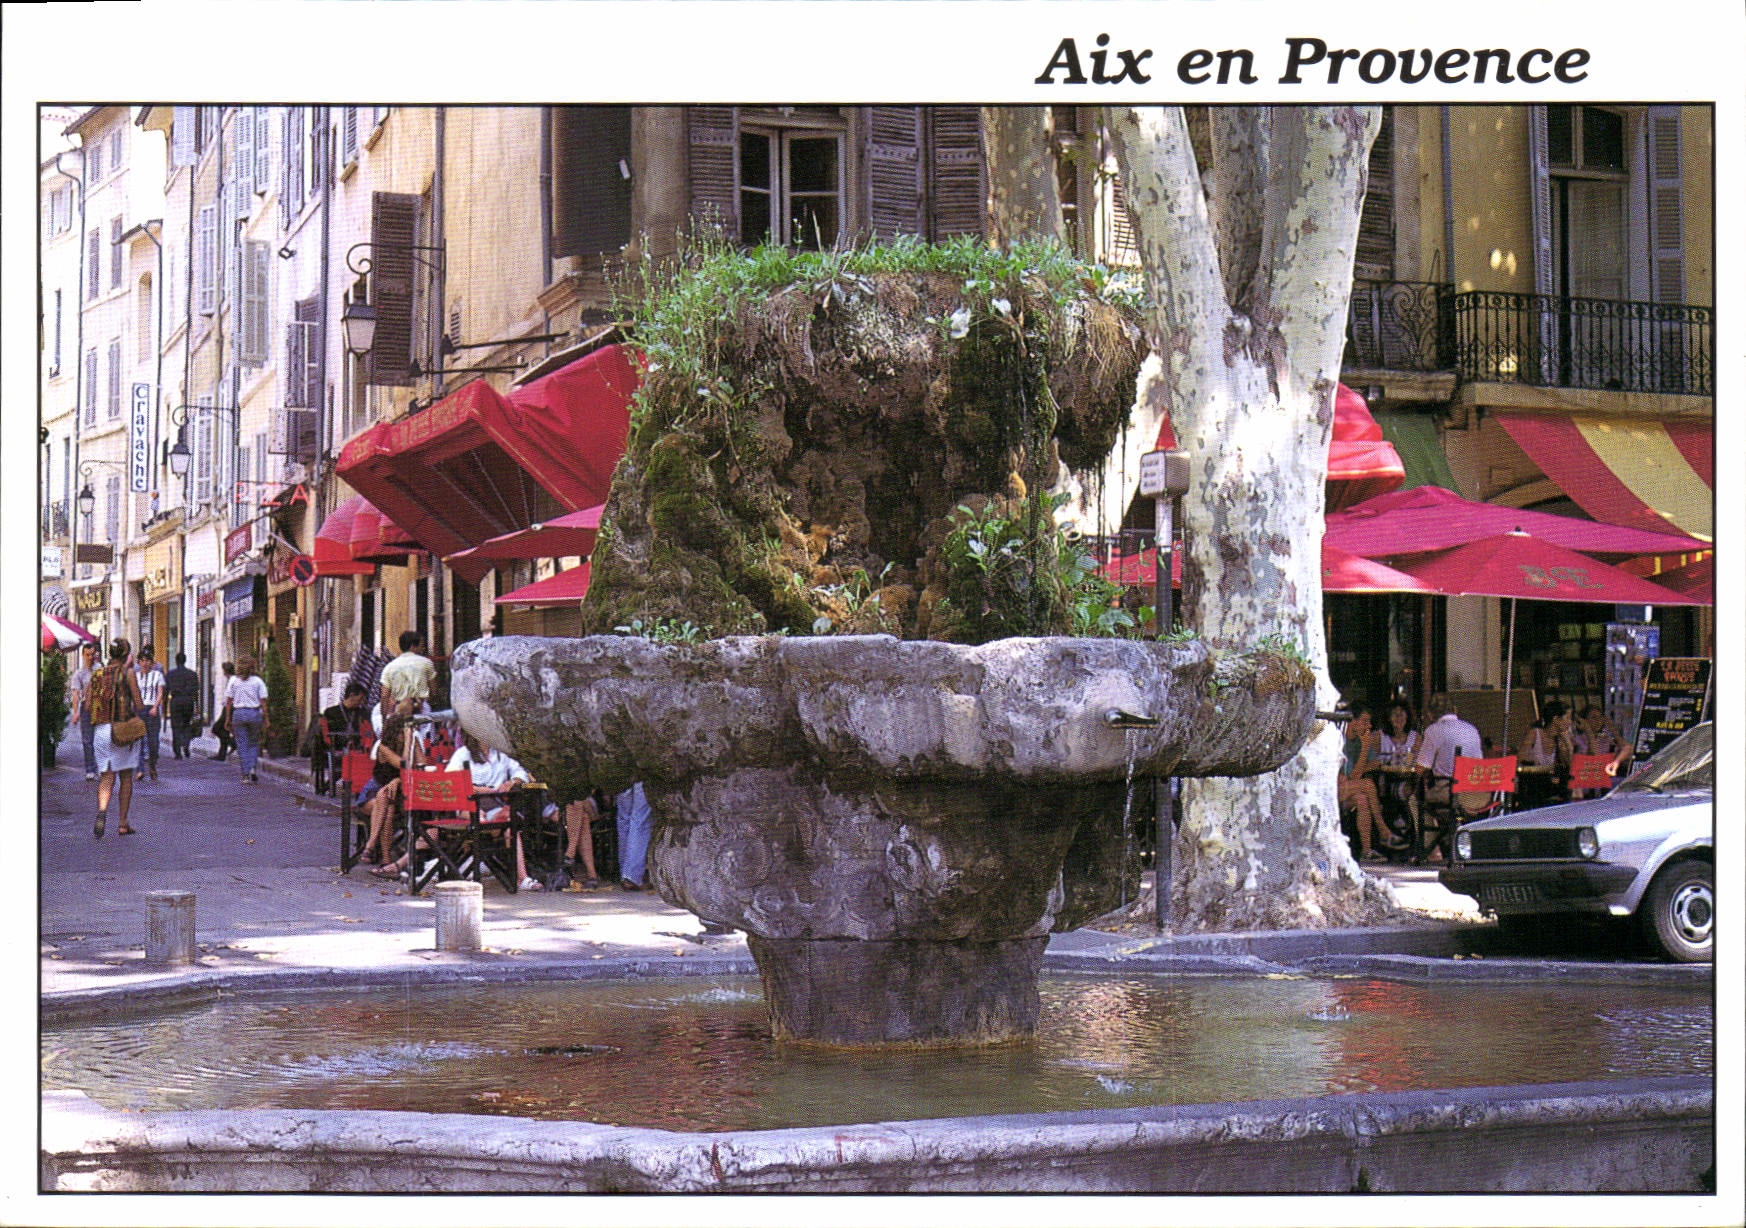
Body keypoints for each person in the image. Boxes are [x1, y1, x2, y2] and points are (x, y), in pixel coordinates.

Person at [1415, 693, 1486, 861]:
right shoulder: (1471, 729)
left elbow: (1421, 767)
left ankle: (1432, 849)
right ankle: (1446, 842)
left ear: (1430, 715)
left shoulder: (1434, 731)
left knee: (1414, 798)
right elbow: (1480, 763)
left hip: (1451, 792)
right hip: (1478, 793)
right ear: (1455, 710)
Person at [88, 638, 145, 838]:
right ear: (126, 655)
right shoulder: (128, 673)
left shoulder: (97, 674)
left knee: (106, 776)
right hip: (122, 730)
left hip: (101, 731)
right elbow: (139, 704)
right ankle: (122, 823)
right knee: (126, 776)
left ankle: (102, 809)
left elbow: (87, 705)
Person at [1337, 706, 1396, 862]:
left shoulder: (1360, 740)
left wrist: (1362, 759)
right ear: (1352, 721)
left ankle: (1367, 850)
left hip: (1347, 789)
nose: (1369, 726)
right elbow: (1354, 776)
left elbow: (1375, 763)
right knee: (1368, 784)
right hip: (1332, 791)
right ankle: (1383, 829)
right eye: (1365, 721)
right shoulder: (1339, 740)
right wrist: (1364, 750)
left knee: (1362, 799)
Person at [1516, 700, 1574, 808]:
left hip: (1549, 786)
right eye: (1568, 718)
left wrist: (1568, 744)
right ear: (1556, 719)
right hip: (1532, 784)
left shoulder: (1560, 740)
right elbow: (1520, 760)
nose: (1570, 722)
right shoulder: (1534, 733)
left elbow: (1570, 766)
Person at [224, 655, 269, 784]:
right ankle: (253, 768)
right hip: (254, 713)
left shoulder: (233, 681)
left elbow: (229, 701)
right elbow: (263, 702)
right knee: (253, 743)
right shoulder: (258, 681)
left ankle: (245, 774)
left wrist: (227, 718)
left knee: (242, 744)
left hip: (238, 714)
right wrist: (266, 719)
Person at [1573, 705, 1627, 797]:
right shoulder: (1577, 740)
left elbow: (1624, 748)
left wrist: (1610, 726)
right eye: (1594, 718)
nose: (1598, 721)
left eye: (1600, 717)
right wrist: (1588, 730)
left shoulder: (1604, 739)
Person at [133, 647, 167, 783]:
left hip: (152, 709)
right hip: (140, 709)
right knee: (139, 740)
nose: (145, 663)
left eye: (147, 660)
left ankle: (152, 765)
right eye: (142, 660)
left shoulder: (157, 675)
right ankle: (140, 769)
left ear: (151, 662)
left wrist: (155, 707)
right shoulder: (135, 676)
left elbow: (160, 692)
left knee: (153, 742)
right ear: (139, 662)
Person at [379, 630, 437, 708]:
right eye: (421, 646)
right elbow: (434, 691)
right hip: (422, 708)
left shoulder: (389, 667)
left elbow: (384, 697)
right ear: (412, 646)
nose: (423, 649)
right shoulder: (427, 663)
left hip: (399, 709)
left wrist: (385, 716)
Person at [69, 642, 100, 780]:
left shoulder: (100, 669)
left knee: (100, 739)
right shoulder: (79, 674)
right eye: (88, 655)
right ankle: (90, 769)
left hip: (100, 707)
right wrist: (75, 712)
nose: (90, 657)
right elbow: (76, 694)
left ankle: (100, 767)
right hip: (86, 709)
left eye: (92, 654)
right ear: (83, 655)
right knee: (87, 740)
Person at [615, 781, 652, 891]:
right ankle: (632, 876)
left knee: (624, 820)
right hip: (642, 774)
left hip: (623, 774)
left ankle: (625, 873)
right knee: (640, 820)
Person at [165, 651, 201, 759]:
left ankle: (177, 752)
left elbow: (166, 690)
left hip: (176, 701)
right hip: (188, 701)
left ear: (176, 661)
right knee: (186, 724)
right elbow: (196, 691)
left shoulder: (170, 674)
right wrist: (197, 705)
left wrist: (164, 705)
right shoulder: (192, 674)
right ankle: (186, 744)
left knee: (176, 726)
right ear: (185, 661)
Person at [211, 662, 236, 761]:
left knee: (216, 728)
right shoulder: (231, 680)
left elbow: (230, 698)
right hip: (227, 707)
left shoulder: (232, 681)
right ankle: (222, 753)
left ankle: (233, 743)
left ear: (226, 671)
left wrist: (228, 715)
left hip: (229, 708)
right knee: (223, 730)